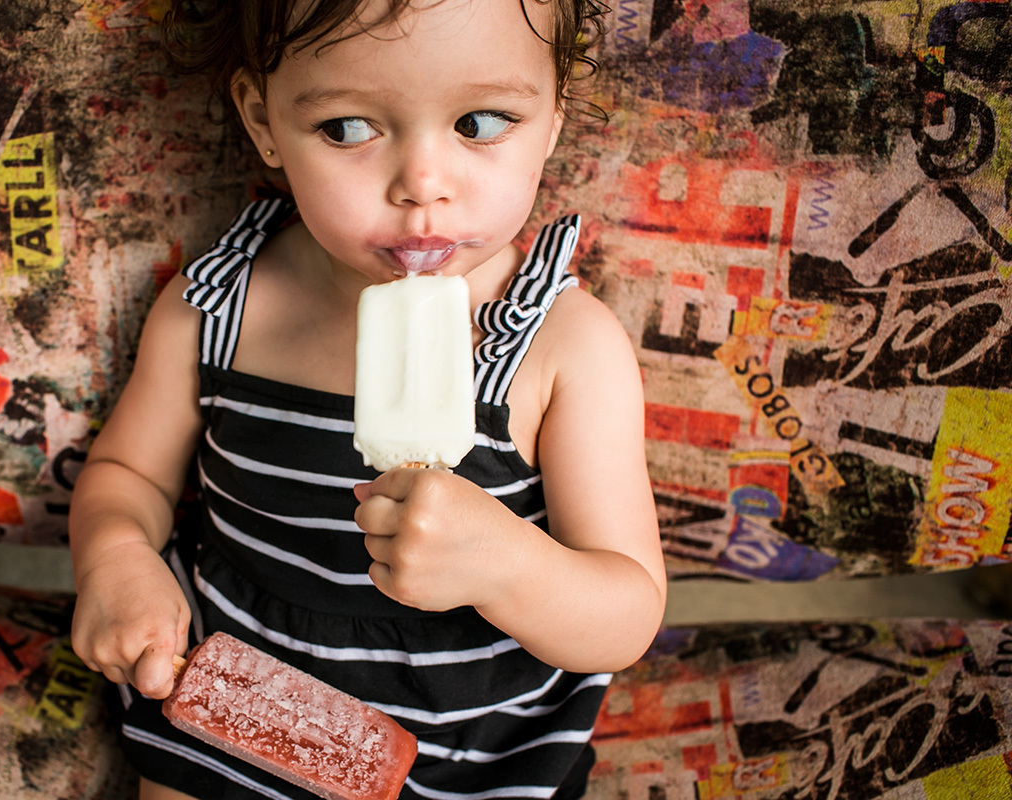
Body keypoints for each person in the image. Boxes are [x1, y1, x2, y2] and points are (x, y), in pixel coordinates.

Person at [68, 0, 666, 798]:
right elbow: (126, 474)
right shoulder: (217, 309)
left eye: (481, 122)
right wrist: (115, 558)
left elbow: (624, 614)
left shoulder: (564, 348)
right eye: (348, 129)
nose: (423, 186)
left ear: (553, 116)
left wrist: (505, 565)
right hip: (236, 701)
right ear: (263, 118)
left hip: (475, 749)